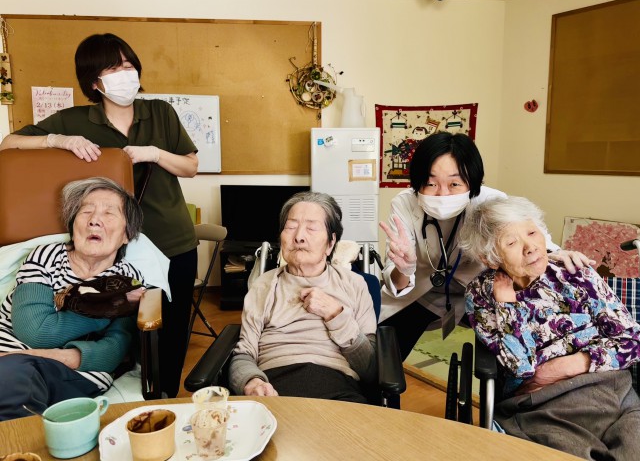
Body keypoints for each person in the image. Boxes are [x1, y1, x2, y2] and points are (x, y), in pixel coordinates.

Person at [0, 33, 198, 397]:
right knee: (120, 326)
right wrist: (57, 141)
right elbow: (8, 144)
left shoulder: (161, 112)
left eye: (129, 65)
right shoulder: (75, 119)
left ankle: (164, 397)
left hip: (172, 241)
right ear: (94, 81)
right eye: (113, 68)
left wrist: (155, 153)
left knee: (168, 332)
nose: (125, 73)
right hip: (109, 246)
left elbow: (190, 166)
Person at [378, 131, 593, 360]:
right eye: (430, 183)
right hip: (422, 294)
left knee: (502, 356)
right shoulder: (404, 204)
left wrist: (557, 253)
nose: (442, 194)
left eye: (454, 183)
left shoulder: (490, 200)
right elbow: (397, 281)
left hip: (479, 295)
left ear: (472, 182)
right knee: (385, 357)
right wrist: (405, 269)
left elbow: (529, 234)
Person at [459, 196, 640, 459]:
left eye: (532, 233)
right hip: (547, 405)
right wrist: (507, 305)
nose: (530, 247)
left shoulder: (575, 272)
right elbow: (521, 367)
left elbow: (632, 340)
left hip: (614, 389)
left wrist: (569, 365)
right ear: (490, 258)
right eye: (511, 243)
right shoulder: (482, 295)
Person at [0, 177, 146, 421]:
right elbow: (34, 331)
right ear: (73, 225)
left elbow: (113, 351)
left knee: (14, 379)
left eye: (109, 213)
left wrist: (44, 356)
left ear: (127, 235)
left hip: (68, 373)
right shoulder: (46, 257)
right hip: (8, 356)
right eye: (86, 211)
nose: (94, 220)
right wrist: (110, 308)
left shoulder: (128, 280)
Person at [229, 192, 377, 403]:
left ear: (331, 243)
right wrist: (251, 381)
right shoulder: (264, 285)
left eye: (311, 228)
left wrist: (336, 315)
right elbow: (244, 353)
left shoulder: (354, 284)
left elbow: (370, 368)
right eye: (291, 227)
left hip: (338, 387)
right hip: (274, 387)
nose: (299, 236)